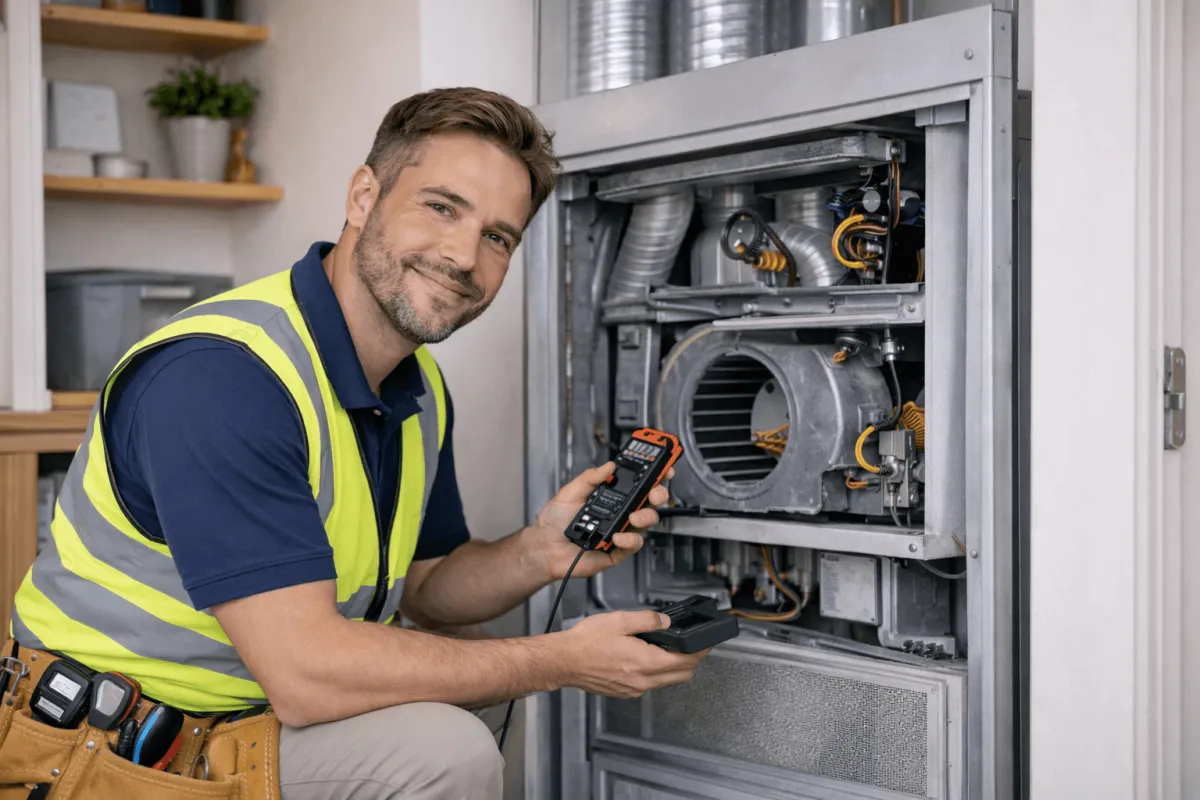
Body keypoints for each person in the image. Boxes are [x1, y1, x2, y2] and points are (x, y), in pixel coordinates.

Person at [3, 88, 708, 799]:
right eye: (441, 207)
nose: (464, 255)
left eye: (498, 237)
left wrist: (540, 552)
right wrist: (561, 660)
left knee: (475, 683)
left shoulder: (417, 386)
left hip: (238, 722)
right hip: (102, 751)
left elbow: (426, 590)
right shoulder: (221, 378)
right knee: (444, 749)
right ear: (364, 197)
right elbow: (307, 672)